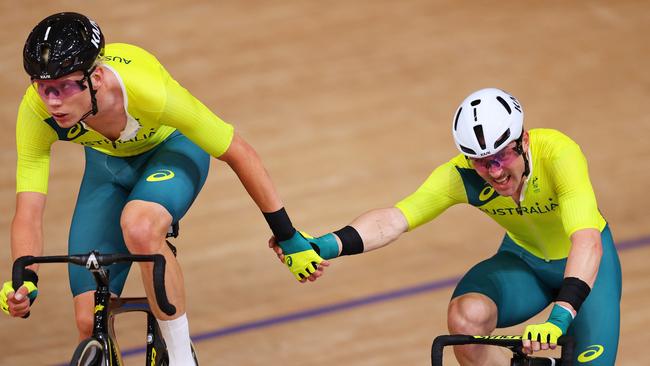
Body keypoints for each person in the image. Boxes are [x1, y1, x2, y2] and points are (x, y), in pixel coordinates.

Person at [0, 12, 323, 365]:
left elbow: (240, 153)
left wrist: (288, 237)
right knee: (87, 319)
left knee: (139, 226)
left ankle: (182, 358)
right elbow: (28, 209)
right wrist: (23, 278)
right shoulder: (36, 112)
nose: (52, 102)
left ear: (96, 78)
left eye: (63, 87)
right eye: (42, 88)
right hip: (107, 168)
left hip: (171, 151)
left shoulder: (147, 90)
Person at [270, 88, 621, 365]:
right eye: (482, 163)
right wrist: (322, 246)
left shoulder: (559, 154)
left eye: (501, 157)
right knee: (466, 318)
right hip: (525, 262)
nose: (494, 172)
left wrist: (559, 319)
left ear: (524, 140)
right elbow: (395, 219)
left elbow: (587, 242)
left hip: (590, 269)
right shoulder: (461, 175)